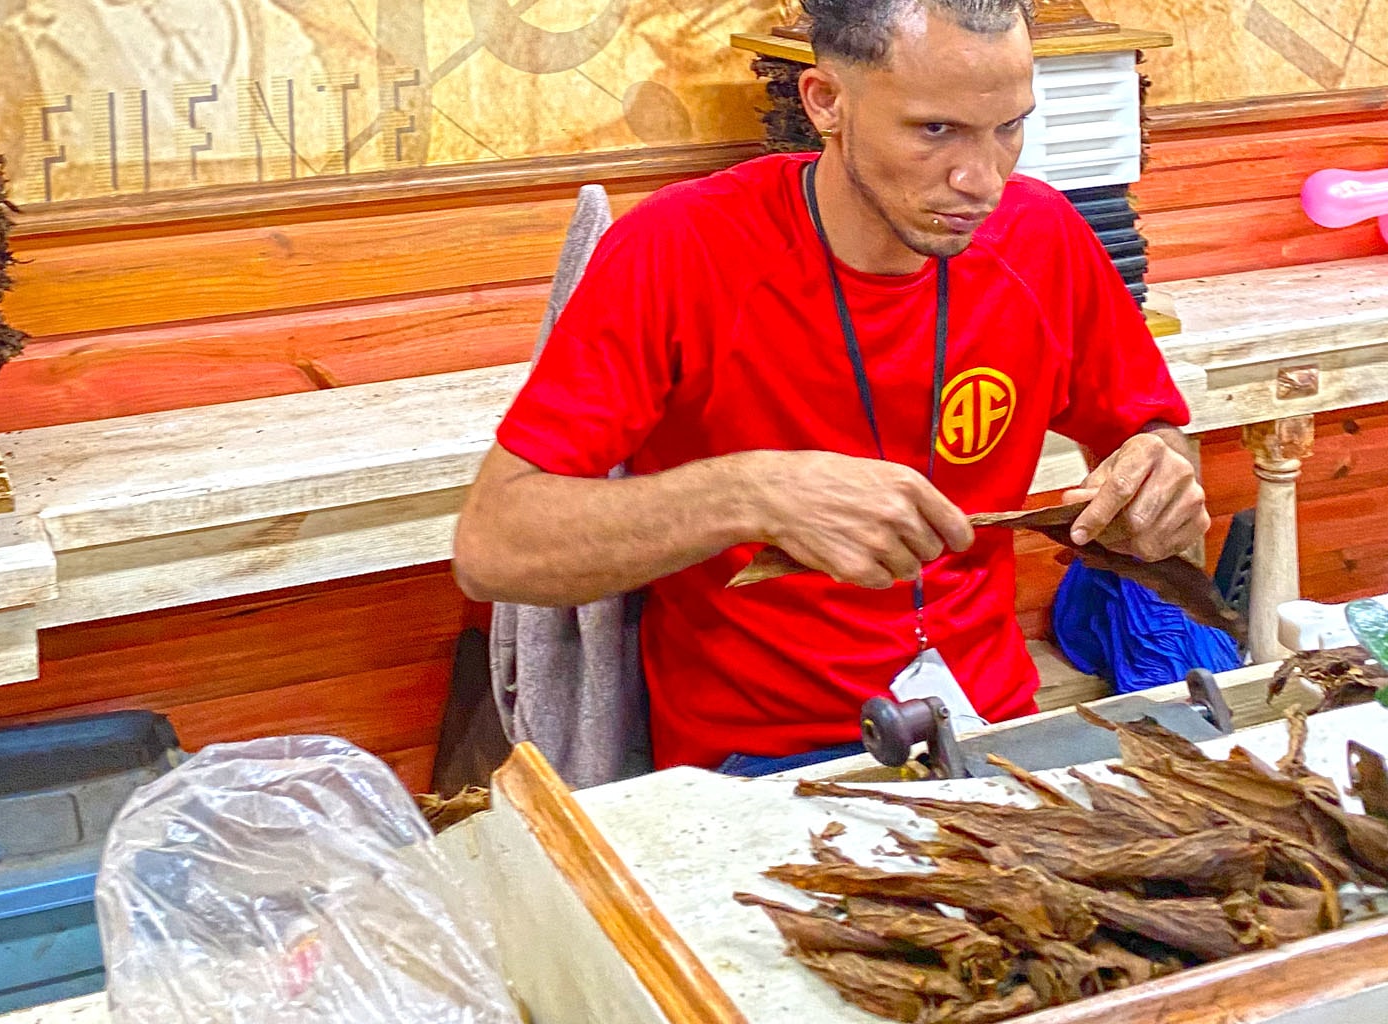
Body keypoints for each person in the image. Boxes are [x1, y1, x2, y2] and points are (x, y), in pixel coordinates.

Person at [450, 0, 1208, 776]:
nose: (981, 180)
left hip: (987, 731)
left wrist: (1157, 475)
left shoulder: (1041, 235)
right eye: (934, 131)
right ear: (826, 103)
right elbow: (493, 547)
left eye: (1008, 127)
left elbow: (1151, 436)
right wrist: (749, 493)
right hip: (762, 761)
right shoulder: (682, 249)